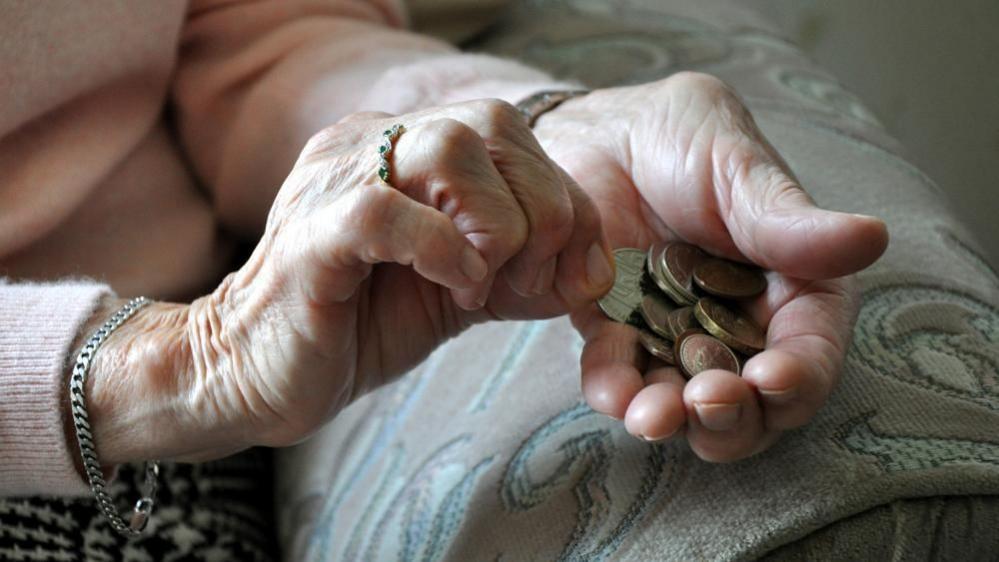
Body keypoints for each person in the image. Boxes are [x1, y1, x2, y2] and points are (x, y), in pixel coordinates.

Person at [0, 0, 886, 525]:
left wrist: (528, 132)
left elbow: (252, 35)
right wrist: (172, 367)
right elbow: (180, 370)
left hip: (173, 470)